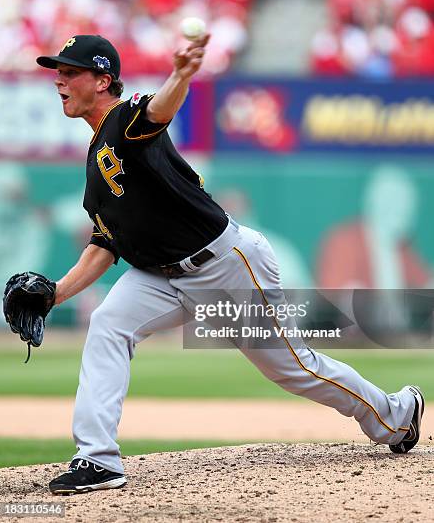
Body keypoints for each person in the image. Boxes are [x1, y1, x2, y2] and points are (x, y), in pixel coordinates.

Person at [35, 34, 423, 495]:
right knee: (107, 325)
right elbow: (104, 244)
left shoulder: (125, 119)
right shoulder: (97, 160)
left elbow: (157, 112)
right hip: (160, 276)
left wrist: (180, 74)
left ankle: (396, 416)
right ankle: (98, 461)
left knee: (292, 368)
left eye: (70, 71)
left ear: (102, 81)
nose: (58, 79)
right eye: (57, 70)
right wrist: (54, 294)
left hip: (227, 265)